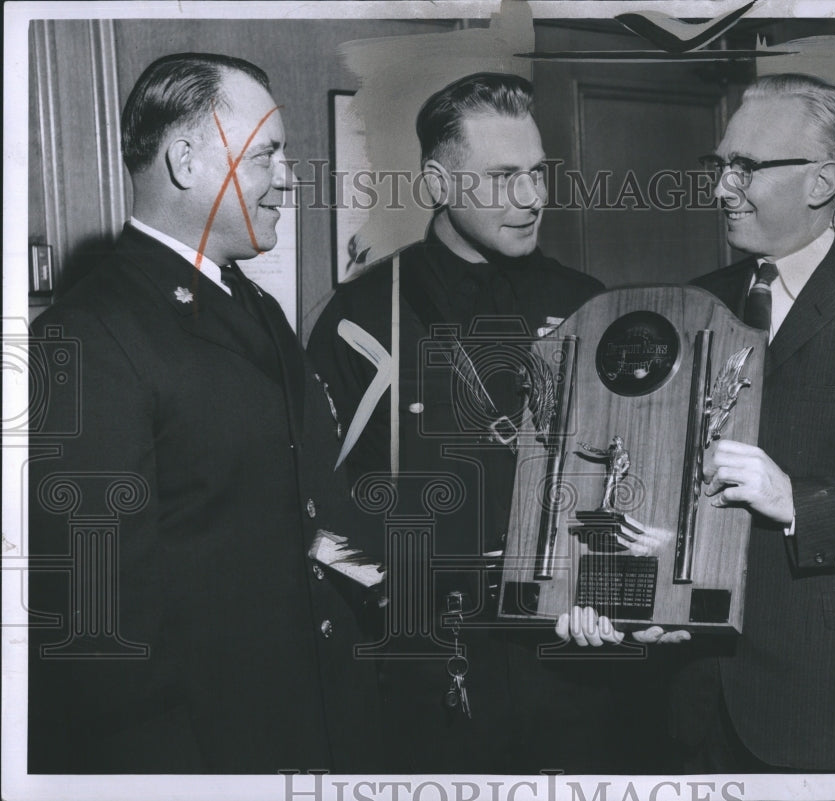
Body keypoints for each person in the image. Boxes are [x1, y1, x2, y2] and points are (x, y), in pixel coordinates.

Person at [594, 72, 835, 773]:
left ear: (823, 180)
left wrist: (800, 504)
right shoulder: (692, 305)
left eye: (745, 166)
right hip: (687, 684)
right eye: (720, 164)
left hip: (826, 692)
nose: (720, 187)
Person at [28, 53, 379, 773]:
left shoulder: (257, 308)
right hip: (208, 751)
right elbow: (102, 626)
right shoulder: (88, 332)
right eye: (268, 155)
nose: (288, 177)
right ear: (186, 161)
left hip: (315, 721)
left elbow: (311, 506)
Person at [308, 72, 664, 773]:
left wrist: (607, 588)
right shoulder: (361, 318)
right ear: (439, 183)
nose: (532, 198)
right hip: (433, 669)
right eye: (503, 178)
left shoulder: (587, 304)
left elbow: (634, 472)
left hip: (576, 661)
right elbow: (321, 506)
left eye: (537, 173)